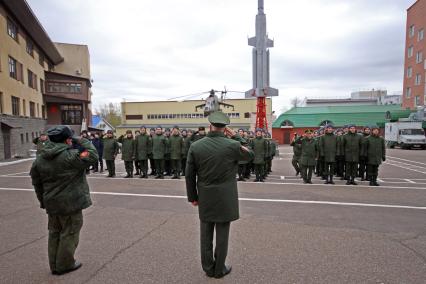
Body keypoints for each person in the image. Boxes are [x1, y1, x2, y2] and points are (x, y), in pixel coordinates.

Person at [185, 111, 253, 279]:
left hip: (206, 196)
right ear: (225, 129)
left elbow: (189, 174)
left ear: (210, 126)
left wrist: (193, 197)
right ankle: (219, 269)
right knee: (223, 234)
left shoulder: (196, 146)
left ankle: (208, 267)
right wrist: (237, 137)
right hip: (225, 197)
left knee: (205, 234)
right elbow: (250, 154)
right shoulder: (232, 145)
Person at [30, 125, 98, 275]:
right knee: (70, 232)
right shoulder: (71, 156)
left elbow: (36, 183)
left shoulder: (40, 159)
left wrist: (42, 200)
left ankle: (54, 265)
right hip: (70, 203)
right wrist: (82, 140)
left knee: (54, 232)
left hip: (51, 202)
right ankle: (65, 264)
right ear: (68, 140)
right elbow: (93, 155)